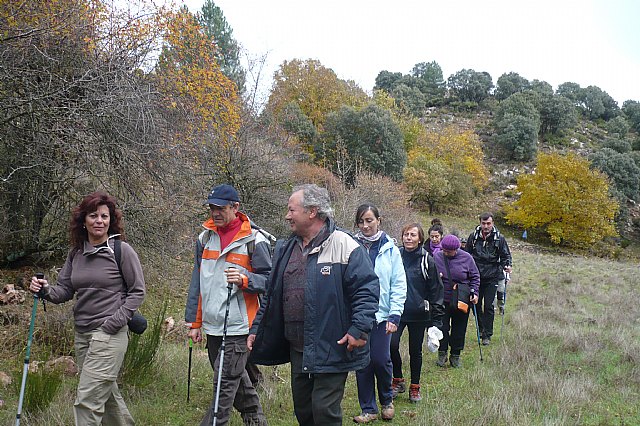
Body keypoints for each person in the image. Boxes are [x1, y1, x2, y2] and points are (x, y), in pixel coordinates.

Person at [247, 184, 379, 426]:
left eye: (291, 210)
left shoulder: (345, 245)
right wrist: (257, 328)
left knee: (324, 411)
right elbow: (271, 294)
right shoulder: (286, 248)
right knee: (304, 409)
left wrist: (359, 329)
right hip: (298, 346)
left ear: (312, 211)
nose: (287, 216)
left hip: (333, 344)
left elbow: (367, 290)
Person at [29, 191, 144, 426]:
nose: (99, 221)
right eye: (94, 216)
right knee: (107, 396)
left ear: (111, 220)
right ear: (84, 220)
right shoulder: (77, 253)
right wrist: (45, 290)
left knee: (87, 400)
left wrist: (113, 323)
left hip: (109, 335)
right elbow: (64, 290)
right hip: (82, 334)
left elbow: (137, 292)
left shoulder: (121, 251)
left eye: (104, 216)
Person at [185, 184, 269, 426]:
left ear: (235, 207)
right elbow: (198, 283)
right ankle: (255, 420)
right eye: (212, 208)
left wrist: (246, 279)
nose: (215, 213)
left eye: (220, 208)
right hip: (212, 325)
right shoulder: (204, 238)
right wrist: (195, 322)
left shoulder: (255, 239)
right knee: (235, 380)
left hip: (239, 327)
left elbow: (270, 280)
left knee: (223, 383)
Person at [351, 204, 406, 423]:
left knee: (381, 360)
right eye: (362, 221)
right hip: (359, 315)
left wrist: (395, 315)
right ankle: (369, 409)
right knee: (362, 363)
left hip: (383, 316)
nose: (365, 225)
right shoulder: (351, 246)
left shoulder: (390, 248)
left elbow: (398, 284)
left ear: (379, 221)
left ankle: (387, 400)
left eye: (369, 220)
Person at [390, 223, 444, 402]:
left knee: (415, 350)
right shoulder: (395, 255)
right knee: (391, 345)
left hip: (419, 313)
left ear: (420, 238)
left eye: (413, 235)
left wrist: (436, 321)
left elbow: (436, 289)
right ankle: (397, 380)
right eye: (406, 234)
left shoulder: (427, 259)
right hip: (397, 311)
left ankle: (415, 386)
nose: (408, 238)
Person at [465, 212, 512, 346]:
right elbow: (467, 255)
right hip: (476, 276)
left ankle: (487, 335)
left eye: (488, 223)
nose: (486, 226)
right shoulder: (473, 237)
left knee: (489, 306)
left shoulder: (499, 238)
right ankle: (480, 329)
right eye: (484, 223)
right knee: (476, 304)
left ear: (492, 223)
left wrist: (507, 266)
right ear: (480, 223)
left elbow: (505, 256)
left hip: (492, 276)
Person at [433, 234, 480, 368]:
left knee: (459, 328)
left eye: (449, 251)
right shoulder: (437, 257)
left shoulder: (467, 258)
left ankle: (455, 355)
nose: (446, 253)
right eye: (444, 250)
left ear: (456, 249)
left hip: (462, 298)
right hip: (443, 299)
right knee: (442, 327)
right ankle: (442, 354)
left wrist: (475, 293)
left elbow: (475, 277)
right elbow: (431, 276)